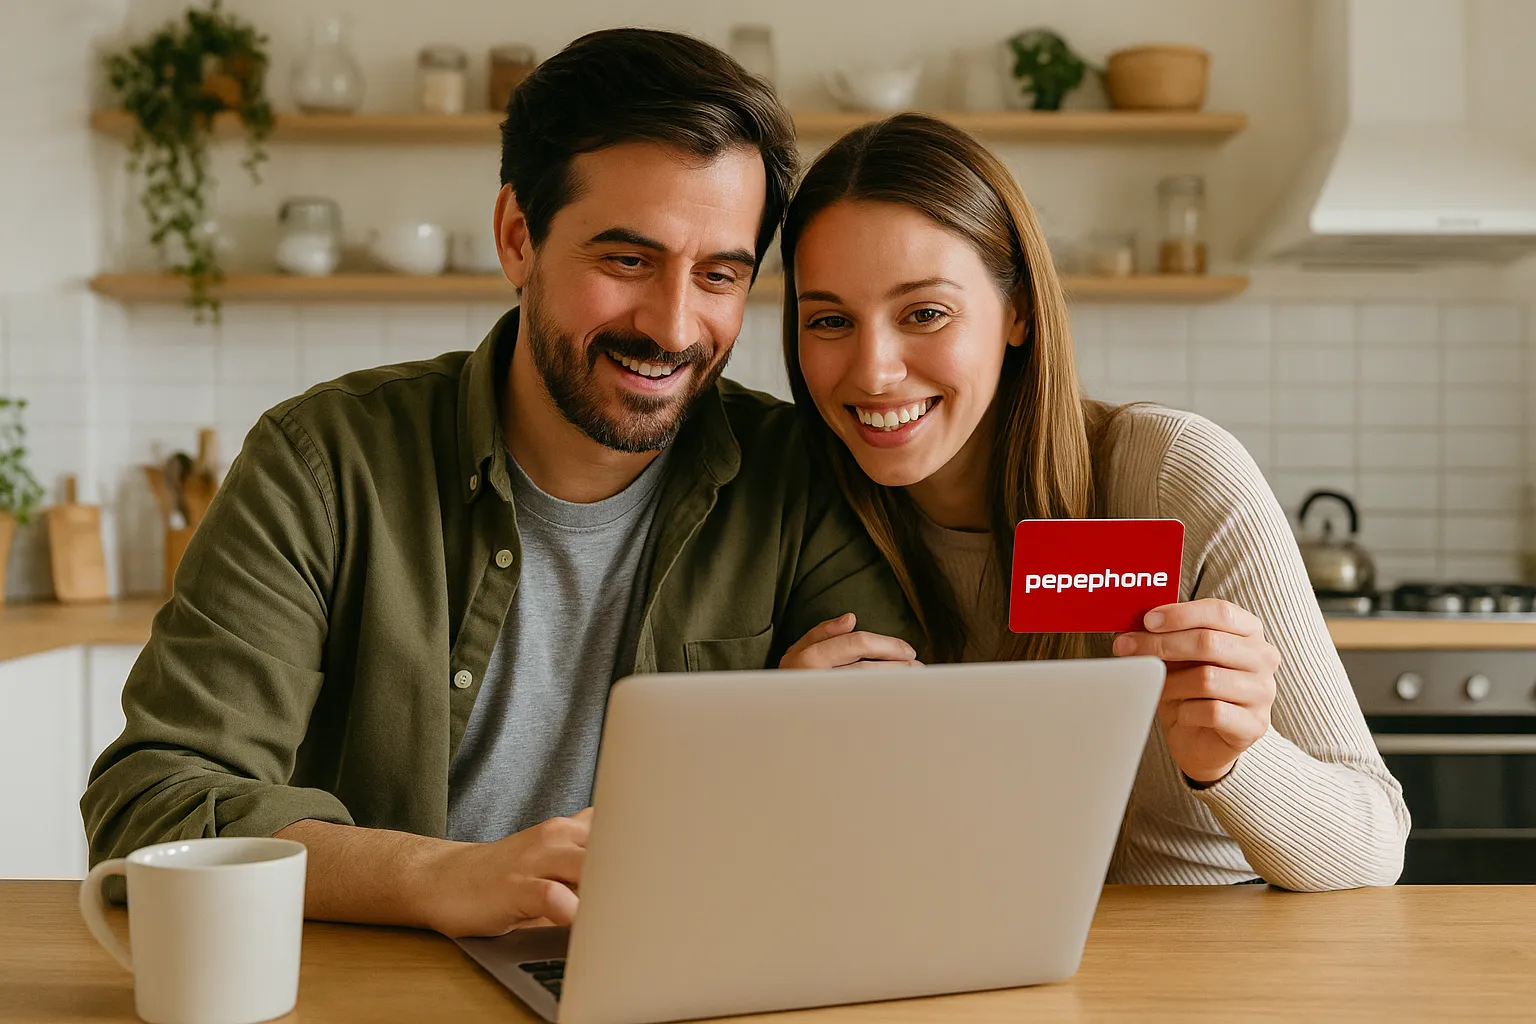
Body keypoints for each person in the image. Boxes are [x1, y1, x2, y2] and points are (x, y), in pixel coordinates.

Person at [81, 29, 918, 938]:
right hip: (379, 984)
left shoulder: (802, 479)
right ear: (518, 237)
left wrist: (782, 748)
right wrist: (445, 877)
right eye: (627, 261)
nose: (674, 326)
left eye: (719, 275)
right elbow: (154, 805)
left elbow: (894, 807)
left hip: (681, 972)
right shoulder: (322, 462)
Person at [776, 113, 1410, 891]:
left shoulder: (1173, 476)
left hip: (1211, 944)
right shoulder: (805, 514)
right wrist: (789, 750)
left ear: (1018, 311)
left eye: (925, 313)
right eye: (830, 320)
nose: (873, 371)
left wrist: (1236, 759)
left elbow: (1373, 847)